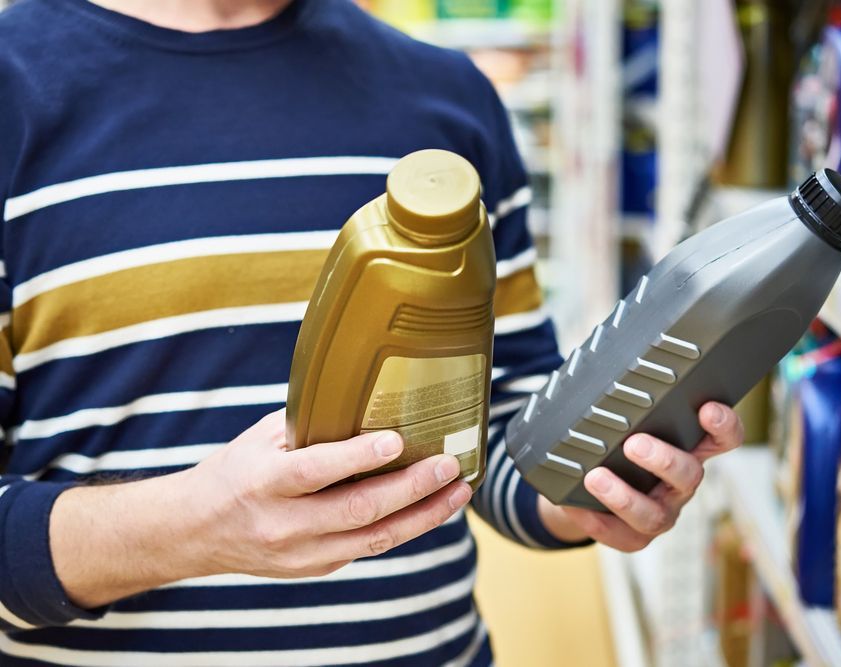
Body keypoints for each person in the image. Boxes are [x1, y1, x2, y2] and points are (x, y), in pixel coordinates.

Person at [0, 0, 744, 664]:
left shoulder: (448, 101)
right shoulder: (15, 91)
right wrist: (196, 526)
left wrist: (584, 490)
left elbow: (499, 428)